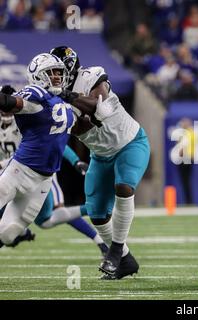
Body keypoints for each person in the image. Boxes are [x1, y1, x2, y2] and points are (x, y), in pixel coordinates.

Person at [50, 46, 151, 280]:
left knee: (124, 187)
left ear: (70, 69)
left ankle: (115, 251)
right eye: (51, 72)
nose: (54, 76)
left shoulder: (92, 76)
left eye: (58, 71)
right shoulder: (49, 95)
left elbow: (101, 109)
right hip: (100, 154)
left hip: (129, 143)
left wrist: (69, 97)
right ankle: (126, 261)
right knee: (96, 212)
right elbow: (77, 127)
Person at [0, 87, 107, 254]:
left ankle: (95, 214)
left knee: (51, 215)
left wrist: (75, 161)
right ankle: (20, 232)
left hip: (39, 175)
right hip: (16, 172)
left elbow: (53, 143)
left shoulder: (26, 116)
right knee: (39, 222)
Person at [0, 53, 75, 247]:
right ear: (38, 75)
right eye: (52, 72)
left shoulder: (60, 100)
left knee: (8, 234)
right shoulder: (35, 93)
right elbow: (10, 103)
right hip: (20, 170)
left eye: (59, 72)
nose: (58, 76)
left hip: (44, 180)